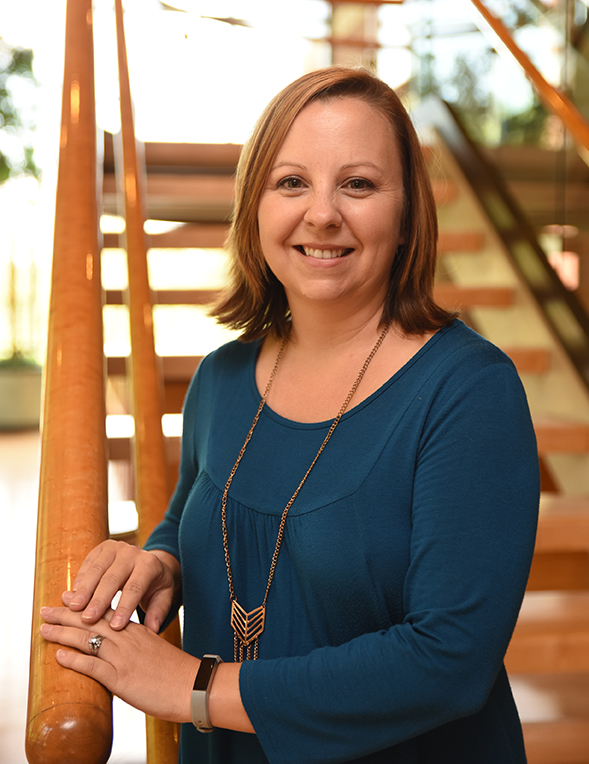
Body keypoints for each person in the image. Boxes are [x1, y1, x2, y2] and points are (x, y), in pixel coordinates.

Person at [40, 66, 540, 763]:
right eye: (291, 181)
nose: (322, 213)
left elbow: (448, 661)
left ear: (405, 216)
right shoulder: (220, 378)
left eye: (358, 184)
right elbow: (195, 512)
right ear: (255, 207)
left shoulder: (469, 392)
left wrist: (192, 686)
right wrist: (159, 561)